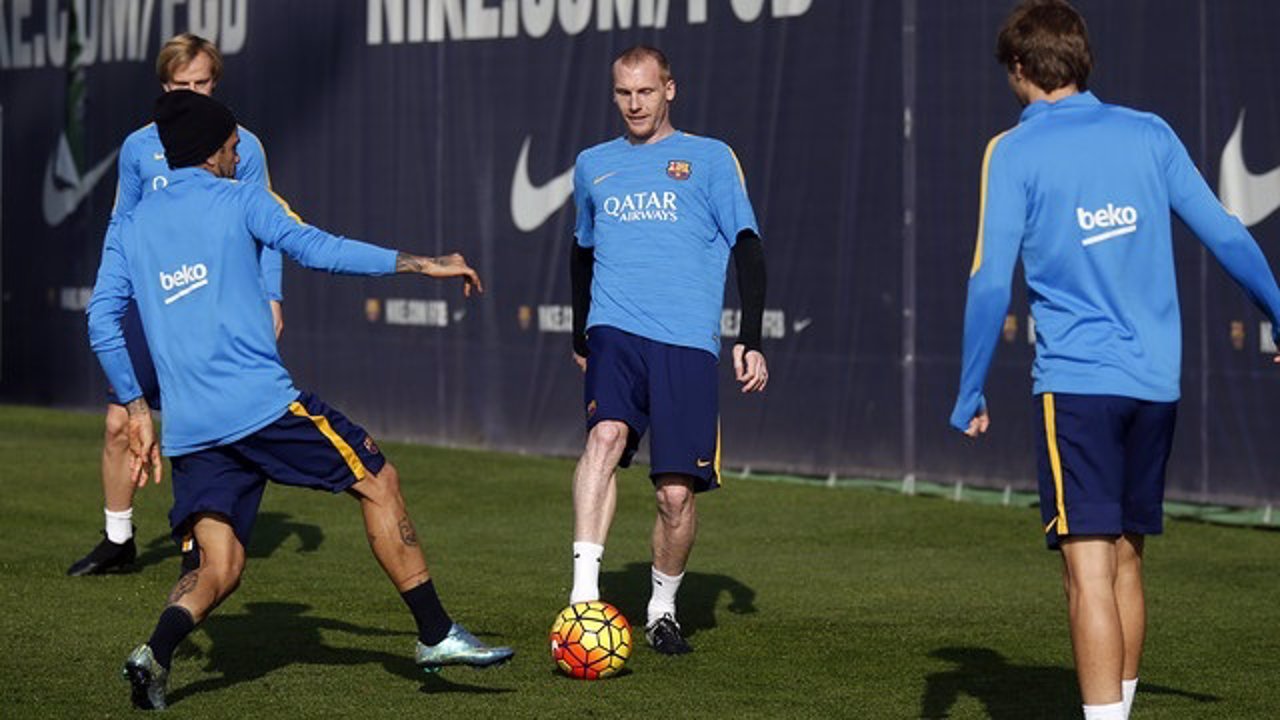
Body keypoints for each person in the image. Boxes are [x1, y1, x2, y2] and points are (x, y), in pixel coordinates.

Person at [87, 90, 513, 711]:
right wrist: (423, 264)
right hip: (261, 409)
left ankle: (154, 653)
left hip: (193, 428)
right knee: (378, 477)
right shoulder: (241, 200)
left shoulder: (131, 226)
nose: (240, 153)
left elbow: (102, 319)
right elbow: (321, 249)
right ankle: (435, 634)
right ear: (210, 152)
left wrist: (136, 405)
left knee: (222, 566)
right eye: (232, 144)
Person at [949, 2, 1280, 718]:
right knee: (1127, 556)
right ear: (1081, 59)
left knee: (1087, 571)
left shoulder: (1012, 151)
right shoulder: (1148, 134)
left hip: (1077, 386)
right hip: (1156, 388)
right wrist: (1279, 311)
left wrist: (970, 386)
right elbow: (1226, 234)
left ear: (1019, 70)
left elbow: (987, 280)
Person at [567, 45, 769, 655]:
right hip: (615, 330)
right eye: (624, 93)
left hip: (685, 343)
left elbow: (748, 247)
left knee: (675, 495)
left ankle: (661, 609)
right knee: (603, 438)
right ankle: (582, 600)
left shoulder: (709, 159)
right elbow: (582, 253)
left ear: (669, 90)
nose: (634, 104)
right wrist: (582, 333)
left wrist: (751, 339)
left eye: (646, 92)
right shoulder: (592, 165)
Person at [69, 33, 282, 577]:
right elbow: (123, 223)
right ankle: (119, 540)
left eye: (202, 83)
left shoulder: (244, 147)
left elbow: (267, 226)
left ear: (217, 82)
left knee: (205, 422)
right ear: (165, 87)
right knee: (122, 420)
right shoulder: (139, 147)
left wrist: (271, 297)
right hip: (152, 304)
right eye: (181, 84)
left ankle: (200, 538)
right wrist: (111, 291)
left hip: (216, 306)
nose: (193, 92)